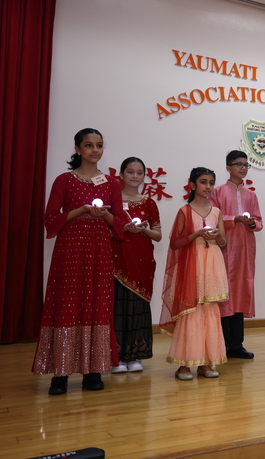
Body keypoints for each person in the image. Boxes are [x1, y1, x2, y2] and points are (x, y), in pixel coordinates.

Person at [32, 128, 124, 395]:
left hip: (99, 251)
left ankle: (92, 371)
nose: (95, 150)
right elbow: (50, 218)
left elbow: (120, 224)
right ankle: (59, 374)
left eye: (99, 145)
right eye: (88, 145)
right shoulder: (64, 180)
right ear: (77, 149)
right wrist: (82, 210)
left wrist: (102, 215)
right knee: (66, 304)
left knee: (96, 303)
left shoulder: (111, 183)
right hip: (70, 251)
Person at [160, 167, 228, 380]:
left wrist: (215, 236)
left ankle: (206, 363)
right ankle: (185, 365)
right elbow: (175, 242)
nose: (208, 187)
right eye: (203, 182)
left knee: (209, 310)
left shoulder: (216, 211)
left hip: (212, 264)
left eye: (211, 182)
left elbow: (223, 242)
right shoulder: (185, 211)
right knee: (192, 311)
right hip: (192, 264)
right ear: (192, 185)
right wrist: (196, 234)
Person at [209, 150, 262, 360]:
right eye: (238, 164)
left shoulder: (251, 195)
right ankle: (221, 343)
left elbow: (259, 222)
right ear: (228, 168)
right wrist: (234, 219)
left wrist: (251, 222)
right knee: (223, 295)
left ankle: (236, 344)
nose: (243, 168)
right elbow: (213, 219)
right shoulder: (218, 192)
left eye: (246, 165)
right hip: (223, 250)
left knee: (240, 294)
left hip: (244, 252)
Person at [111, 157, 161, 374]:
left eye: (139, 172)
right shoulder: (111, 200)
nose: (134, 176)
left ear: (144, 176)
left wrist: (142, 230)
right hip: (117, 260)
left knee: (137, 306)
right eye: (130, 172)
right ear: (121, 175)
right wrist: (122, 227)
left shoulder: (149, 202)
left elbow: (158, 235)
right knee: (117, 307)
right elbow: (105, 228)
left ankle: (135, 356)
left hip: (141, 261)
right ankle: (116, 358)